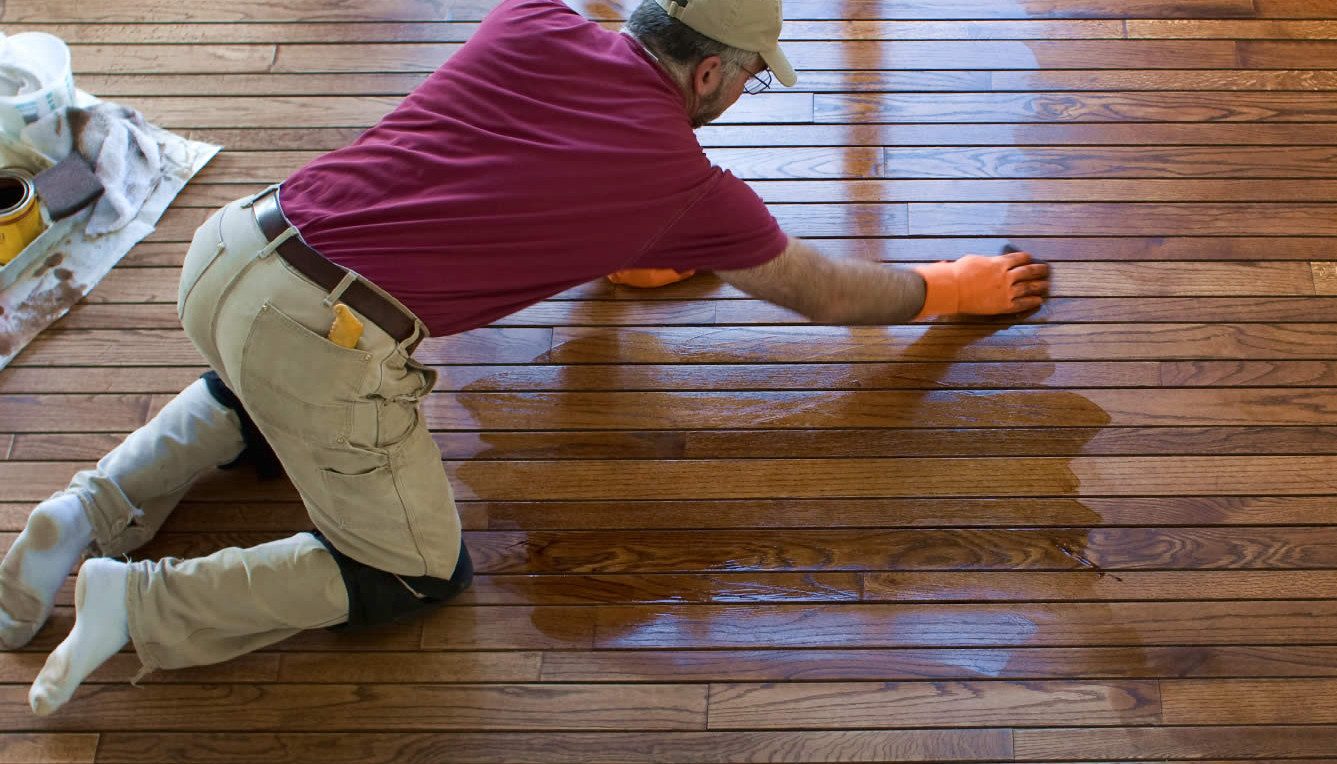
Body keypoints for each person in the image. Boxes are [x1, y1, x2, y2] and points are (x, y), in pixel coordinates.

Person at [0, 0, 1049, 716]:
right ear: (715, 71)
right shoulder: (687, 185)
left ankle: (82, 510)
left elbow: (532, 169)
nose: (742, 101)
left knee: (255, 394)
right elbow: (822, 292)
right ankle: (135, 600)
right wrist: (950, 287)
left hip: (233, 251)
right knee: (413, 570)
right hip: (323, 334)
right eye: (748, 85)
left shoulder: (528, 22)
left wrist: (628, 252)